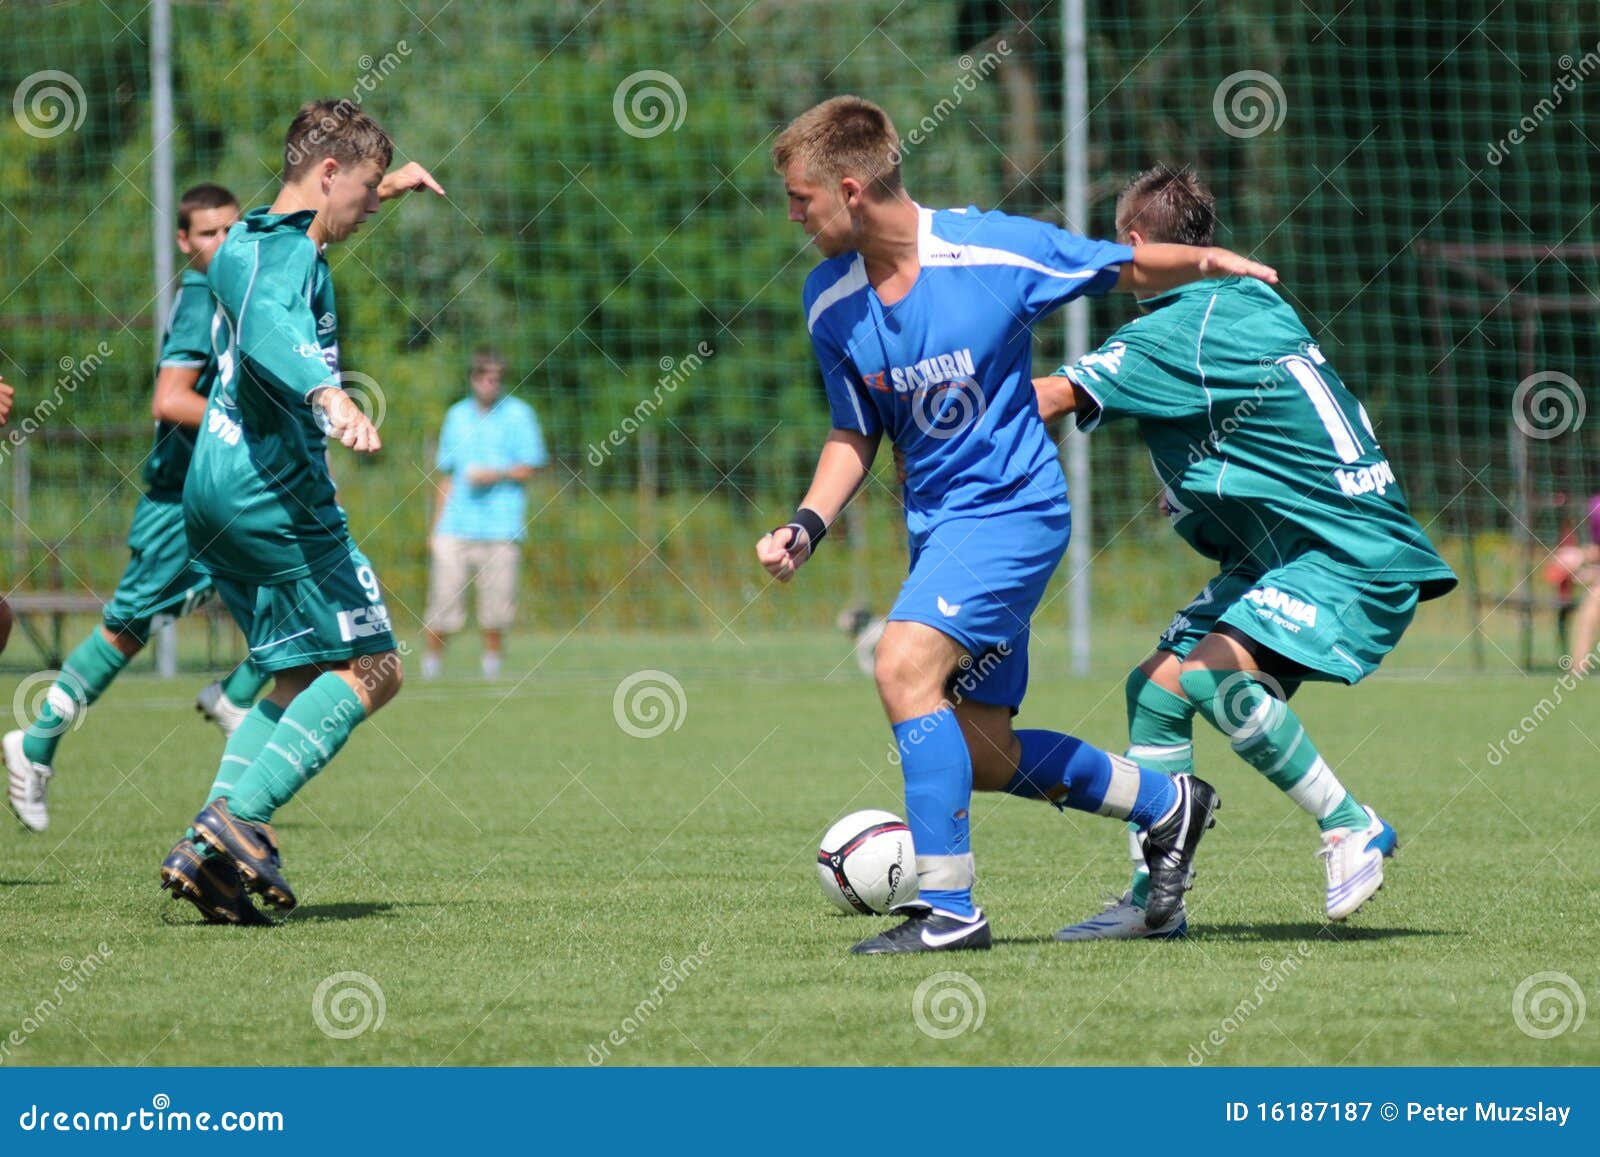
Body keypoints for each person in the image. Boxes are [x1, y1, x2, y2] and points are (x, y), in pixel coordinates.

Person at [757, 97, 1278, 954]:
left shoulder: (987, 251)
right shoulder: (829, 301)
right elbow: (855, 431)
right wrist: (807, 524)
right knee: (984, 753)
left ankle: (949, 911)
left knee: (901, 664)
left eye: (799, 198)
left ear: (850, 190)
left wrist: (1211, 260)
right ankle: (1166, 803)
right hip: (940, 533)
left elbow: (1119, 267)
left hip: (1013, 513)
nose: (791, 215)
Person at [1034, 165, 1457, 938]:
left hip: (1345, 551)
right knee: (1156, 690)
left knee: (1209, 674)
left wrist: (934, 404)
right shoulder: (1251, 298)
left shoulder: (1172, 333)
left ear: (1136, 244)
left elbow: (1050, 399)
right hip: (1294, 548)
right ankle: (1153, 899)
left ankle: (1349, 823)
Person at [157, 100, 443, 924]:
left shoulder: (252, 234)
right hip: (273, 489)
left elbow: (298, 243)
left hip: (213, 488)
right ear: (326, 172)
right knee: (376, 666)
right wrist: (328, 394)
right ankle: (236, 819)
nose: (366, 206)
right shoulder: (281, 256)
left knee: (296, 673)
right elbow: (269, 330)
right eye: (361, 188)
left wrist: (389, 184)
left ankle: (208, 854)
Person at [5, 185, 271, 834]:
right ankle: (35, 743)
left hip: (228, 495)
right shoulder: (204, 295)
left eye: (231, 230)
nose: (221, 243)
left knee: (296, 606)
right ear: (183, 242)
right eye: (206, 233)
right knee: (126, 631)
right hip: (183, 502)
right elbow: (169, 400)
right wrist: (250, 427)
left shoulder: (234, 288)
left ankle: (235, 706)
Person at [422, 349, 548, 680]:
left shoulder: (520, 414)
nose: (490, 383)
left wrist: (496, 474)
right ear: (472, 378)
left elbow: (532, 465)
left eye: (496, 378)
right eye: (483, 376)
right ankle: (430, 668)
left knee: (497, 608)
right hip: (455, 525)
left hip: (501, 526)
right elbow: (446, 476)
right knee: (443, 602)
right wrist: (435, 529)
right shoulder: (456, 416)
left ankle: (491, 670)